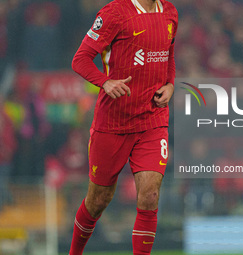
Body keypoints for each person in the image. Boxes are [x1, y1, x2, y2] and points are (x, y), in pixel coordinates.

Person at [69, 0, 178, 254]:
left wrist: (170, 84)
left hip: (153, 119)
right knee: (98, 200)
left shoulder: (170, 12)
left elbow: (169, 55)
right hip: (113, 123)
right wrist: (105, 82)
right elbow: (80, 59)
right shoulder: (114, 13)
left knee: (149, 196)